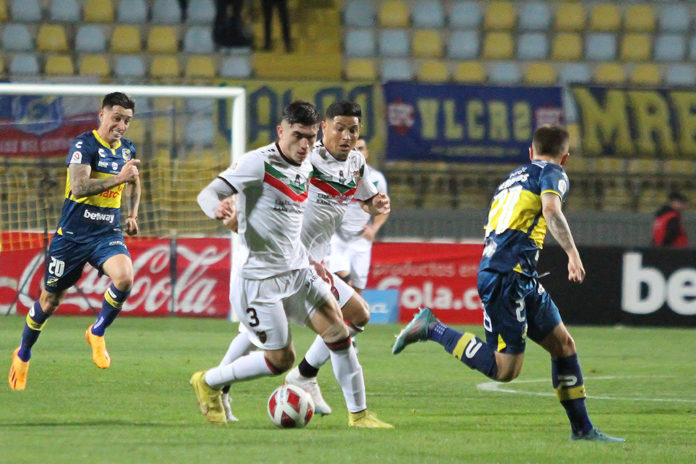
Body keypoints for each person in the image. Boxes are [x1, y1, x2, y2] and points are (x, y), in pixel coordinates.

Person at [392, 125, 625, 442]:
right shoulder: (554, 173)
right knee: (505, 370)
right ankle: (432, 327)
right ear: (565, 158)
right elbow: (552, 210)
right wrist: (572, 252)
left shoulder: (511, 179)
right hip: (507, 276)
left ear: (530, 153)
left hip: (518, 275)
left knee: (563, 345)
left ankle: (582, 430)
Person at [192, 100, 391, 428]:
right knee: (276, 356)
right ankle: (213, 382)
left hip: (301, 267)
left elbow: (353, 192)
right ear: (281, 131)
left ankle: (357, 414)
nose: (305, 145)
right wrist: (223, 211)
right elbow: (211, 194)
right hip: (261, 274)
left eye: (309, 138)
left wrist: (373, 202)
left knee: (341, 332)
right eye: (300, 136)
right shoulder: (263, 161)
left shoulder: (323, 163)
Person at [8, 92, 141, 391]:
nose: (121, 125)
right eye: (116, 118)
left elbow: (133, 177)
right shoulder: (84, 145)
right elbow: (80, 187)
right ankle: (24, 353)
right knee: (49, 301)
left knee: (124, 278)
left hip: (107, 232)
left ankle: (96, 331)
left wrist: (132, 213)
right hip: (72, 237)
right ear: (102, 114)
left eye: (127, 121)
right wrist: (119, 179)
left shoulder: (127, 148)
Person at [327, 138, 390, 295]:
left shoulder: (376, 178)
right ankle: (337, 316)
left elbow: (384, 208)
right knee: (342, 278)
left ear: (366, 153)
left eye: (360, 148)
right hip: (337, 236)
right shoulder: (334, 175)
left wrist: (374, 229)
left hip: (361, 237)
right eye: (353, 149)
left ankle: (352, 319)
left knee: (357, 287)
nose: (357, 152)